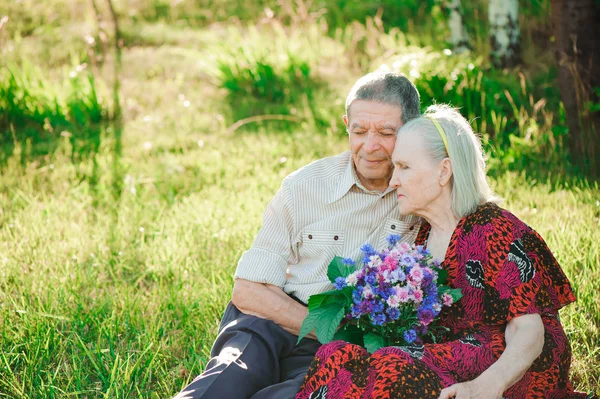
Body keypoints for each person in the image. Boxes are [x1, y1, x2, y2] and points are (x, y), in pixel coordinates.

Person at [295, 105, 590, 399]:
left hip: (506, 371)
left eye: (405, 167)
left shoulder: (493, 229)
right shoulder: (421, 236)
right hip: (446, 359)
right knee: (335, 355)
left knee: (393, 365)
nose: (394, 179)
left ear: (444, 171)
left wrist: (487, 385)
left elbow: (528, 331)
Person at [172, 72, 423, 399]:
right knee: (225, 381)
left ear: (411, 130)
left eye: (386, 133)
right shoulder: (304, 186)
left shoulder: (422, 194)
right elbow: (247, 290)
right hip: (269, 321)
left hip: (335, 350)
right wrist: (325, 328)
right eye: (359, 131)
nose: (370, 146)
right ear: (346, 124)